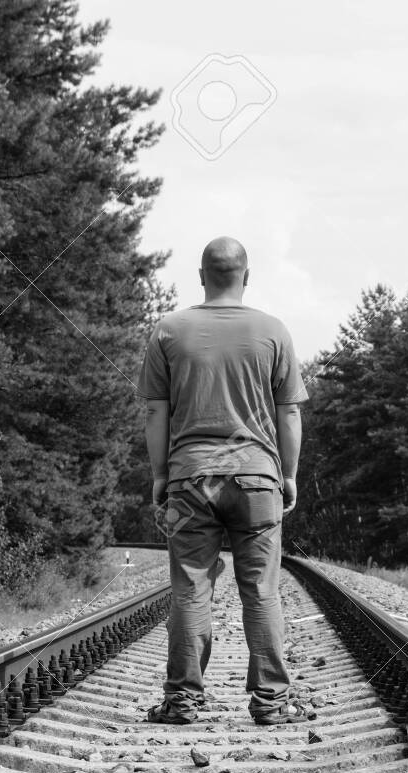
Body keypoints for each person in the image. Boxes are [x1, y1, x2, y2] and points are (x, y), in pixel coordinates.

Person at [137, 236, 309, 725]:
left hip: (190, 479)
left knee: (191, 589)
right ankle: (271, 702)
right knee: (262, 589)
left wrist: (160, 474)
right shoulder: (272, 331)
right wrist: (288, 474)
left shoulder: (169, 330)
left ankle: (182, 700)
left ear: (201, 276)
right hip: (258, 477)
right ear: (246, 276)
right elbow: (289, 413)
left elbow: (155, 412)